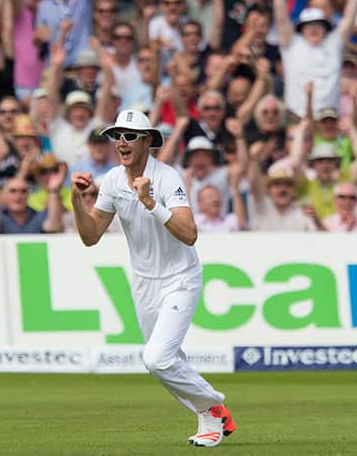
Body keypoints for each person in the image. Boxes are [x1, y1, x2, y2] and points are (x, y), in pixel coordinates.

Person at [70, 109, 234, 447]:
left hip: (180, 278)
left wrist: (149, 202)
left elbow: (189, 234)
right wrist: (75, 200)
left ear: (147, 141)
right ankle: (210, 413)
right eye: (117, 135)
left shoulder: (167, 178)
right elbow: (91, 236)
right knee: (165, 362)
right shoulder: (114, 180)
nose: (121, 142)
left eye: (130, 136)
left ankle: (212, 406)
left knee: (156, 358)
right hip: (144, 283)